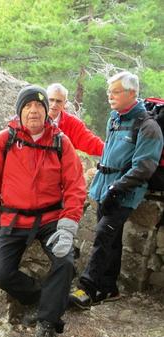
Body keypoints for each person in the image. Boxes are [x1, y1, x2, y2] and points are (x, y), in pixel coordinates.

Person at [0, 85, 86, 337]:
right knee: (0, 274)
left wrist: (67, 227)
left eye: (39, 106)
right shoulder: (4, 140)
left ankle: (47, 323)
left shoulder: (61, 142)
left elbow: (75, 186)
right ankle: (43, 296)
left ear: (47, 112)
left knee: (66, 261)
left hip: (51, 219)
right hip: (13, 219)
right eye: (27, 106)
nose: (33, 111)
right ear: (19, 112)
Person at [70, 71, 163, 309]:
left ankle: (86, 289)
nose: (110, 96)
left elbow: (144, 167)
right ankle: (110, 288)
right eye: (109, 91)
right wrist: (104, 186)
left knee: (103, 235)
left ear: (132, 93)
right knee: (112, 240)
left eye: (116, 92)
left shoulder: (148, 126)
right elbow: (109, 153)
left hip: (125, 193)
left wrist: (116, 188)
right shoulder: (115, 118)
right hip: (105, 188)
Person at [46, 83, 104, 156]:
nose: (54, 104)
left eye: (58, 101)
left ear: (65, 103)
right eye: (51, 100)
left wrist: (117, 155)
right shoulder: (34, 118)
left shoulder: (72, 123)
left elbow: (92, 143)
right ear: (45, 99)